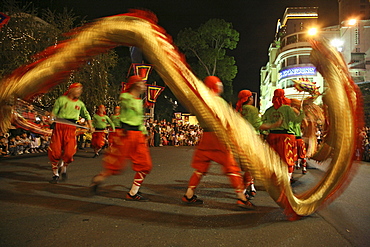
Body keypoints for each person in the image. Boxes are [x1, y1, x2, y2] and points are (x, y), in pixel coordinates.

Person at [182, 76, 254, 209]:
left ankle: (189, 194)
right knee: (231, 167)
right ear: (215, 86)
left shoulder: (201, 102)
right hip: (218, 138)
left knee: (200, 168)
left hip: (206, 137)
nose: (221, 86)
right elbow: (227, 120)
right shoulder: (218, 101)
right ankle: (241, 198)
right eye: (219, 84)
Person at [90, 75, 152, 201]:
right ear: (135, 84)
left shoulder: (139, 101)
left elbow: (139, 120)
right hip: (126, 134)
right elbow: (126, 108)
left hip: (138, 135)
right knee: (116, 165)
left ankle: (133, 193)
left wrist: (144, 133)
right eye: (141, 83)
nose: (143, 86)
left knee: (145, 165)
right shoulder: (125, 97)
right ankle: (98, 179)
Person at [236, 89, 282, 198]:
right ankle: (241, 193)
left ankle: (251, 187)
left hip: (242, 138)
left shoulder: (239, 110)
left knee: (248, 166)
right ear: (249, 99)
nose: (252, 99)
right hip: (252, 138)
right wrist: (274, 125)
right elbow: (259, 125)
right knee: (253, 165)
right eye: (251, 97)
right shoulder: (252, 110)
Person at [48, 83, 93, 184]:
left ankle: (64, 167)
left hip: (71, 128)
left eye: (80, 90)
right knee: (55, 151)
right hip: (59, 127)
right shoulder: (61, 100)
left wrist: (90, 126)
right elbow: (54, 112)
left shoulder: (80, 104)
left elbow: (87, 115)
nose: (79, 92)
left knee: (69, 152)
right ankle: (55, 174)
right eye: (77, 89)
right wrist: (51, 119)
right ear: (71, 90)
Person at [262, 89, 305, 183]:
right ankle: (287, 181)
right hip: (286, 138)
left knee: (273, 159)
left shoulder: (269, 110)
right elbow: (296, 120)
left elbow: (263, 123)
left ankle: (274, 179)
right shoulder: (287, 109)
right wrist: (302, 112)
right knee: (287, 159)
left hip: (272, 136)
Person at [290, 98, 308, 174]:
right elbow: (305, 124)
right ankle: (303, 168)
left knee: (292, 155)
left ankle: (295, 168)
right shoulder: (296, 118)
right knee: (302, 154)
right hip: (297, 138)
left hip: (292, 138)